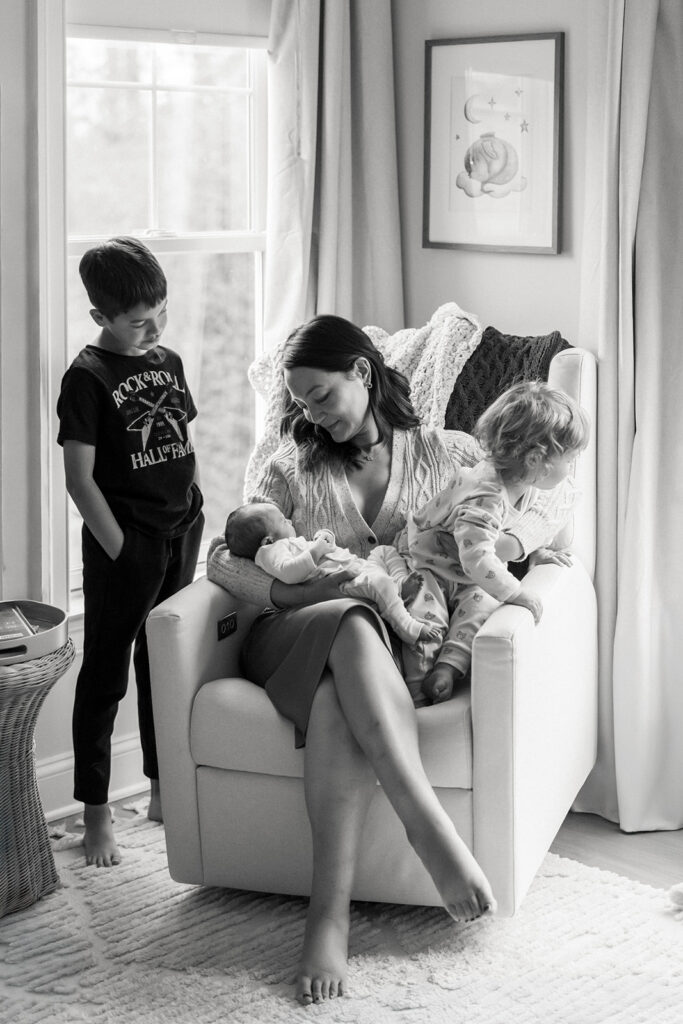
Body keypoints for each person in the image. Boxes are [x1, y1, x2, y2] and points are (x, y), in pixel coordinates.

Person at [207, 314, 576, 1005]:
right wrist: (307, 588)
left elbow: (534, 504)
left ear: (362, 373)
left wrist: (515, 552)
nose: (309, 413)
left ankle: (328, 916)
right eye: (299, 402)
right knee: (348, 616)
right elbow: (222, 561)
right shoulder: (288, 464)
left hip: (381, 654)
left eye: (320, 395)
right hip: (293, 632)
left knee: (333, 700)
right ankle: (423, 821)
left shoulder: (447, 452)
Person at [56, 237, 204, 869]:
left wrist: (194, 509)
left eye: (161, 312)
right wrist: (122, 550)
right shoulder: (86, 379)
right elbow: (79, 480)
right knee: (107, 671)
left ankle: (163, 790)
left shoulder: (166, 359)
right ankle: (96, 815)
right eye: (139, 321)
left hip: (182, 532)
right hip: (128, 547)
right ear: (101, 319)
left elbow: (178, 441)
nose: (154, 328)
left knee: (162, 667)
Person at [390, 380, 589, 705]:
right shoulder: (485, 495)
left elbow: (506, 532)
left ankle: (449, 668)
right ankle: (417, 693)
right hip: (427, 565)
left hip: (465, 573)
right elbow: (477, 558)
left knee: (480, 610)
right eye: (569, 459)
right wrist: (516, 592)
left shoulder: (525, 485)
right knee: (426, 618)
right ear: (536, 461)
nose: (571, 469)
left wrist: (539, 551)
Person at [224, 501, 441, 646]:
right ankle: (407, 627)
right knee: (379, 583)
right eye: (282, 521)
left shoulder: (284, 543)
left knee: (384, 552)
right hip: (340, 585)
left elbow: (320, 553)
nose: (288, 521)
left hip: (356, 567)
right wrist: (316, 550)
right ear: (267, 540)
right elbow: (291, 573)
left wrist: (323, 539)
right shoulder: (270, 551)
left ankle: (399, 586)